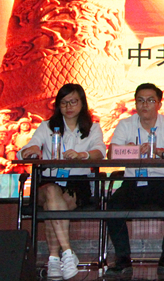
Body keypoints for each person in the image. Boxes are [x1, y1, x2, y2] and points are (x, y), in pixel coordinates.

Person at [19, 83, 106, 280]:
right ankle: (67, 252)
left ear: (82, 103)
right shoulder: (46, 126)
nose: (68, 106)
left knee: (53, 206)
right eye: (64, 102)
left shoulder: (93, 128)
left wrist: (83, 155)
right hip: (47, 182)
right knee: (51, 192)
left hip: (77, 184)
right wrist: (31, 150)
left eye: (73, 102)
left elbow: (100, 151)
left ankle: (53, 259)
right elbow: (28, 148)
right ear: (58, 105)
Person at [105, 83, 164, 278]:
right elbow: (111, 154)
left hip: (161, 182)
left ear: (159, 104)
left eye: (150, 100)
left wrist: (158, 151)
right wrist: (131, 151)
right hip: (133, 182)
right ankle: (122, 258)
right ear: (135, 103)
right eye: (140, 100)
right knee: (113, 206)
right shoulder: (125, 124)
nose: (145, 105)